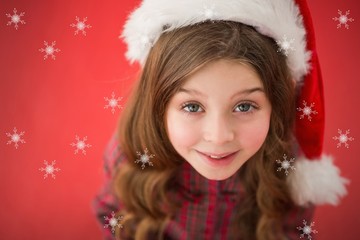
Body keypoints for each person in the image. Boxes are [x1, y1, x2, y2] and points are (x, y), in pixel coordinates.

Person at [93, 0, 349, 239]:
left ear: (277, 102)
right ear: (157, 103)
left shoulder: (290, 168)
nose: (218, 136)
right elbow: (111, 216)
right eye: (192, 106)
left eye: (244, 106)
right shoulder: (130, 154)